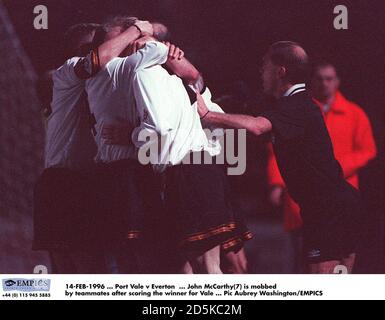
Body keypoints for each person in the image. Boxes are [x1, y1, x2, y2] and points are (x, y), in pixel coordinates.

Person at [196, 41, 366, 274]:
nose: (260, 72)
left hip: (328, 208)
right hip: (338, 204)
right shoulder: (291, 105)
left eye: (265, 65)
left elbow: (257, 126)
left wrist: (207, 114)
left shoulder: (295, 104)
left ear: (280, 71)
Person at [33, 20, 154, 273]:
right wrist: (137, 29)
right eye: (91, 46)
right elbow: (100, 58)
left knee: (97, 269)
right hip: (64, 181)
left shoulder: (114, 80)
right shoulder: (68, 73)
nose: (103, 50)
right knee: (76, 271)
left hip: (93, 181)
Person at [267, 60, 377, 272]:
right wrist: (276, 183)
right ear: (311, 81)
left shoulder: (354, 114)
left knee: (340, 263)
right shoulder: (299, 109)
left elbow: (368, 150)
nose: (324, 83)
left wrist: (333, 170)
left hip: (342, 196)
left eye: (329, 79)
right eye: (319, 79)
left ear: (337, 82)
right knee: (304, 261)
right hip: (303, 202)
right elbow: (277, 151)